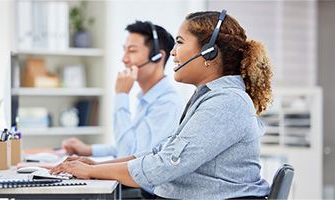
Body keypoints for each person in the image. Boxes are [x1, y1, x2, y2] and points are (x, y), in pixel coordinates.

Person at [50, 10, 273, 199]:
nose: (174, 53)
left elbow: (164, 165)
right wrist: (94, 167)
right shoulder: (209, 98)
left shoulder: (227, 102)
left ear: (209, 53)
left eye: (180, 42)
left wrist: (93, 172)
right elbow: (160, 151)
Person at [61, 21, 183, 158]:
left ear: (158, 57)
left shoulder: (167, 103)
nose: (124, 59)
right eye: (124, 50)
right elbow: (131, 145)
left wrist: (121, 94)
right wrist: (89, 150)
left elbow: (130, 155)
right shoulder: (148, 98)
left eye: (132, 51)